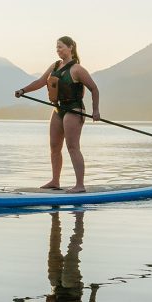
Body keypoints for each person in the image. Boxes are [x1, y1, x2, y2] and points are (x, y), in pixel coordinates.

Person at [14, 35, 101, 192]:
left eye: (60, 47)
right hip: (58, 109)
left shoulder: (77, 69)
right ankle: (55, 181)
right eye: (56, 47)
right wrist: (23, 90)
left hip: (74, 109)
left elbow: (94, 89)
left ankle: (80, 185)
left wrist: (95, 110)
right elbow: (40, 82)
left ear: (70, 47)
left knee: (72, 147)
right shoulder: (55, 66)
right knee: (54, 147)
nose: (58, 50)